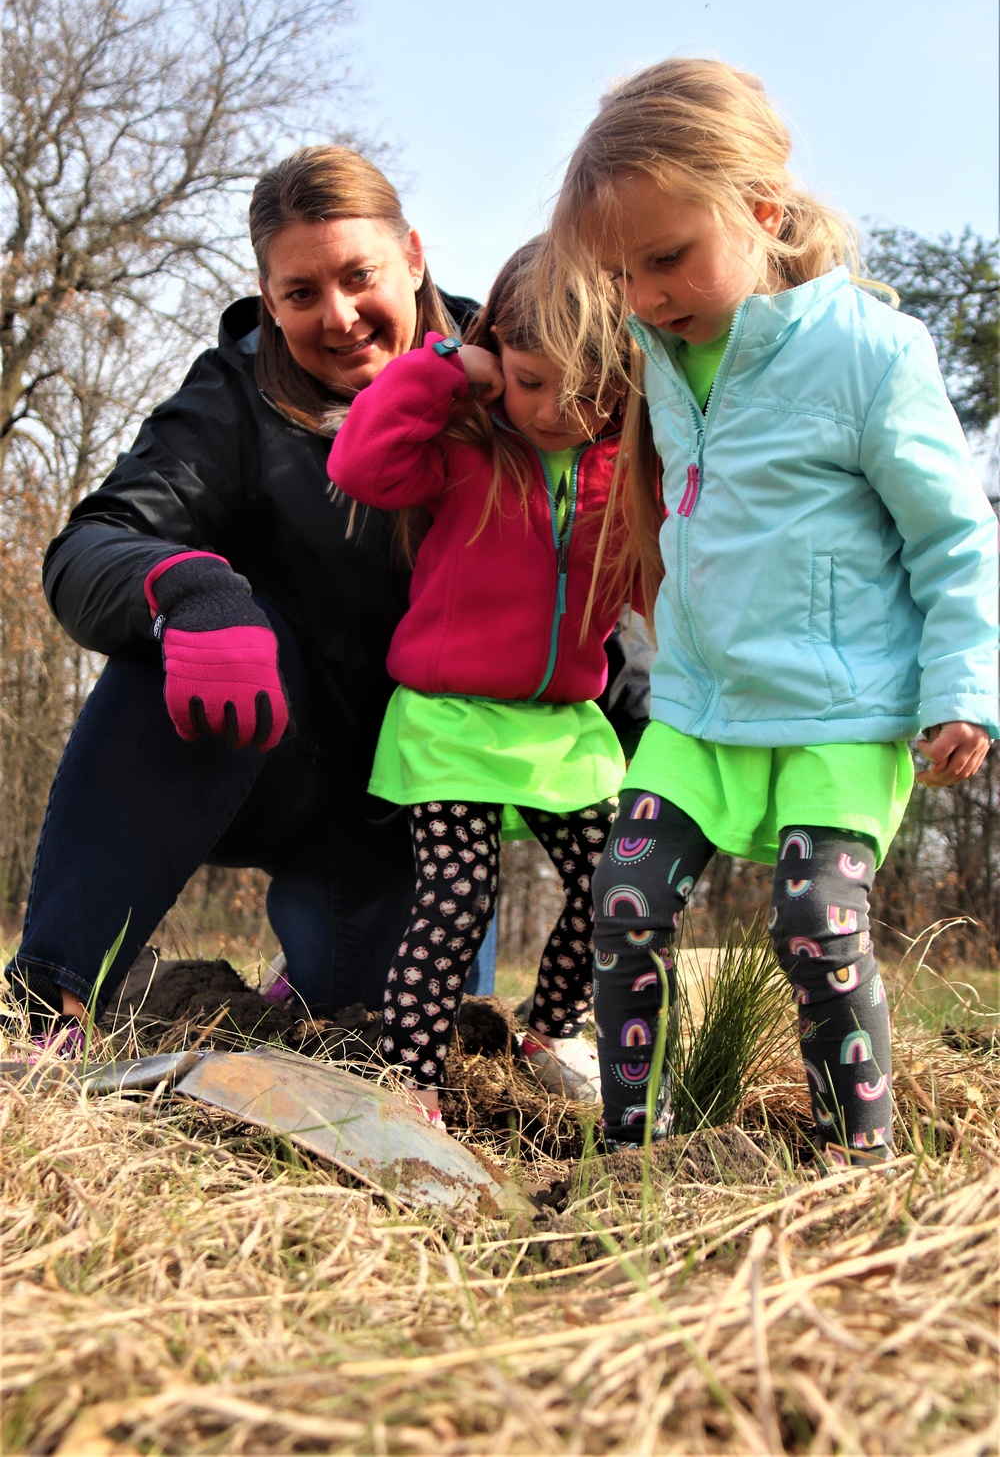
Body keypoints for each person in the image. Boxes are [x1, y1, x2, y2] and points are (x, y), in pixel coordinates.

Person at [539, 59, 999, 1163]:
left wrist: (962, 688)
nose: (646, 296)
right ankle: (628, 1151)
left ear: (763, 207)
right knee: (623, 898)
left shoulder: (870, 355)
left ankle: (859, 1158)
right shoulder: (656, 354)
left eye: (666, 260)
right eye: (623, 274)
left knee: (816, 924)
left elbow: (952, 536)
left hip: (842, 709)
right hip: (703, 709)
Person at [4, 145, 479, 1043]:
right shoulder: (235, 396)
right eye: (302, 294)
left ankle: (310, 977)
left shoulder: (513, 370)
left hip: (428, 807)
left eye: (358, 276)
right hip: (269, 746)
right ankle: (48, 1006)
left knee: (376, 1023)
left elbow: (600, 564)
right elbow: (89, 548)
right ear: (270, 300)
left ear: (413, 256)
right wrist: (188, 589)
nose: (338, 318)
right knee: (190, 625)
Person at [327, 239, 643, 1125]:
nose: (552, 411)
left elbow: (666, 583)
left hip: (563, 720)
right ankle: (410, 1078)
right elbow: (358, 465)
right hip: (451, 716)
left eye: (584, 391)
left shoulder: (625, 471)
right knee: (456, 901)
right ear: (495, 351)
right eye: (531, 380)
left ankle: (552, 1025)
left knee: (613, 883)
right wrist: (441, 368)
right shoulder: (465, 447)